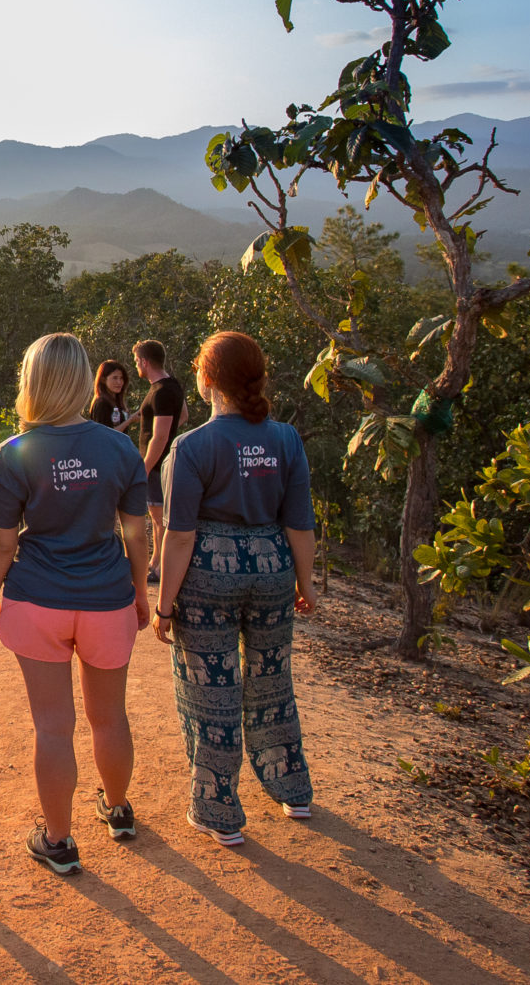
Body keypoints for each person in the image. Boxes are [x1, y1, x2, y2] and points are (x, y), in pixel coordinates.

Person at [0, 334, 150, 876]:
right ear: (82, 381)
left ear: (32, 382)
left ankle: (58, 841)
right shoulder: (120, 448)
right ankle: (118, 811)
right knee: (109, 716)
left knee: (53, 728)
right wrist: (141, 593)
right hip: (107, 600)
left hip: (38, 601)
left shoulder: (16, 452)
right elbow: (137, 534)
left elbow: (4, 542)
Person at [152, 330, 317, 847]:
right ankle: (292, 790)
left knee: (212, 696)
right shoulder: (286, 439)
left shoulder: (192, 446)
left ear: (204, 381)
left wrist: (163, 605)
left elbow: (180, 536)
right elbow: (300, 525)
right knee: (272, 683)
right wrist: (304, 583)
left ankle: (219, 811)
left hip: (208, 580)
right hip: (272, 572)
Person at [135, 341, 188, 584]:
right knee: (157, 518)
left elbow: (161, 435)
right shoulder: (171, 385)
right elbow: (183, 416)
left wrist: (145, 467)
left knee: (159, 519)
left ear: (145, 361)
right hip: (158, 461)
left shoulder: (162, 391)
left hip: (156, 464)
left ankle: (158, 566)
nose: (137, 365)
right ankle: (156, 562)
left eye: (137, 361)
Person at [85, 360, 132, 432]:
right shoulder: (102, 403)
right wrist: (130, 420)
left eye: (121, 378)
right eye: (115, 378)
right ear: (103, 380)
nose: (119, 382)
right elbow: (106, 434)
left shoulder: (116, 401)